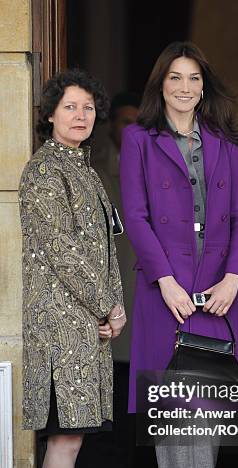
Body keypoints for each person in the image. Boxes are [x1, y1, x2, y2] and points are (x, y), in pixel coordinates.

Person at [120, 41, 238, 468]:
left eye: (193, 78)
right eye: (174, 77)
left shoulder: (225, 144)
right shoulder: (139, 140)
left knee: (208, 419)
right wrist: (166, 281)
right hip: (167, 294)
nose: (184, 87)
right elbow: (136, 214)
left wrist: (234, 278)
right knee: (178, 417)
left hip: (218, 295)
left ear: (204, 87)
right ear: (161, 85)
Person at [19, 68, 126, 468]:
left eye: (87, 108)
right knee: (63, 439)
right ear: (50, 114)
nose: (81, 116)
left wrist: (114, 308)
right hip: (59, 328)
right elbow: (62, 251)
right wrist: (107, 303)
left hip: (83, 325)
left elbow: (103, 249)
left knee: (72, 439)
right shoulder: (45, 171)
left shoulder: (82, 168)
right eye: (70, 108)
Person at [92, 92, 141, 361]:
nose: (132, 130)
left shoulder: (158, 167)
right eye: (125, 122)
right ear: (111, 126)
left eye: (138, 123)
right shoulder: (95, 169)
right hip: (113, 275)